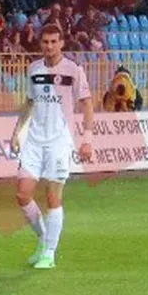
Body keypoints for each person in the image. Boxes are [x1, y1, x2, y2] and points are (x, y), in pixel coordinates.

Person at [10, 24, 94, 270]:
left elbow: (87, 103)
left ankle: (49, 253)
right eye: (45, 42)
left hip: (59, 141)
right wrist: (17, 132)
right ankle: (43, 239)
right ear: (41, 44)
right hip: (34, 141)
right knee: (23, 194)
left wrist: (87, 140)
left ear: (61, 43)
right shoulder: (34, 69)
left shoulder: (73, 70)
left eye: (53, 42)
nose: (49, 46)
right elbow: (29, 102)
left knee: (52, 197)